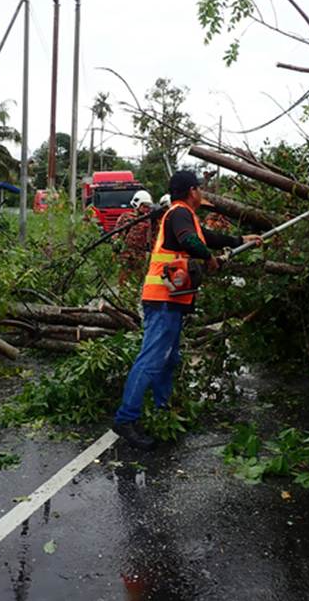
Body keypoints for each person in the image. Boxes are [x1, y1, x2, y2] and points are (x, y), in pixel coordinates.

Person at [112, 170, 262, 450]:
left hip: (172, 299)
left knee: (169, 359)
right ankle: (125, 418)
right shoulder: (179, 213)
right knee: (152, 358)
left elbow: (206, 237)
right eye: (200, 189)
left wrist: (241, 240)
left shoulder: (184, 216)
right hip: (163, 299)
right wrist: (209, 259)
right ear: (192, 191)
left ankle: (162, 409)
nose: (202, 193)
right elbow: (190, 242)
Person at [114, 190, 154, 287]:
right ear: (137, 204)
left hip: (140, 253)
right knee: (123, 276)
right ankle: (122, 295)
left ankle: (134, 297)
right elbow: (116, 233)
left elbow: (152, 236)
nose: (146, 209)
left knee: (138, 279)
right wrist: (116, 246)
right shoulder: (126, 217)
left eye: (148, 207)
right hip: (126, 252)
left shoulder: (148, 220)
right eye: (144, 206)